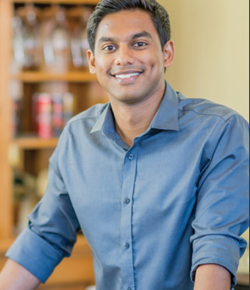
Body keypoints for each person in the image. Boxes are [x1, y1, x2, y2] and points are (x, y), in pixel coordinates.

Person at [0, 0, 249, 289]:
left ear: (166, 53)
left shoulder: (219, 131)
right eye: (109, 47)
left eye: (139, 44)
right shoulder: (77, 137)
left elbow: (215, 245)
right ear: (92, 61)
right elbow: (45, 236)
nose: (123, 58)